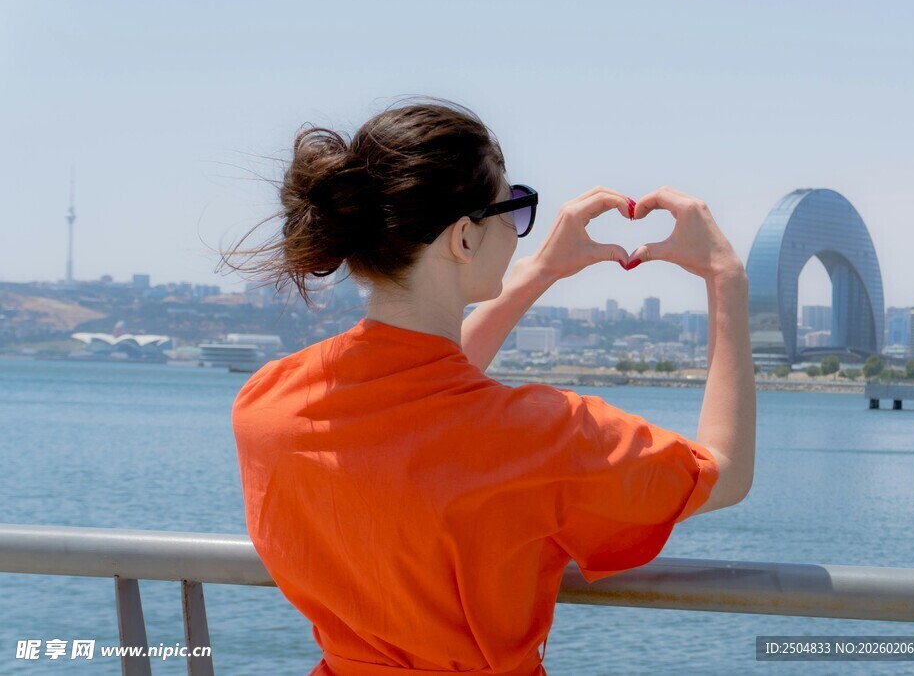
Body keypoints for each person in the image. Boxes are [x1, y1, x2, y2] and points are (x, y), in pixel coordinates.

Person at [223, 96, 756, 675]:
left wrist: (540, 272)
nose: (518, 231)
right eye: (513, 208)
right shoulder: (545, 436)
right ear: (464, 239)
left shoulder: (268, 402)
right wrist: (724, 278)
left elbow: (420, 394)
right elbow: (722, 472)